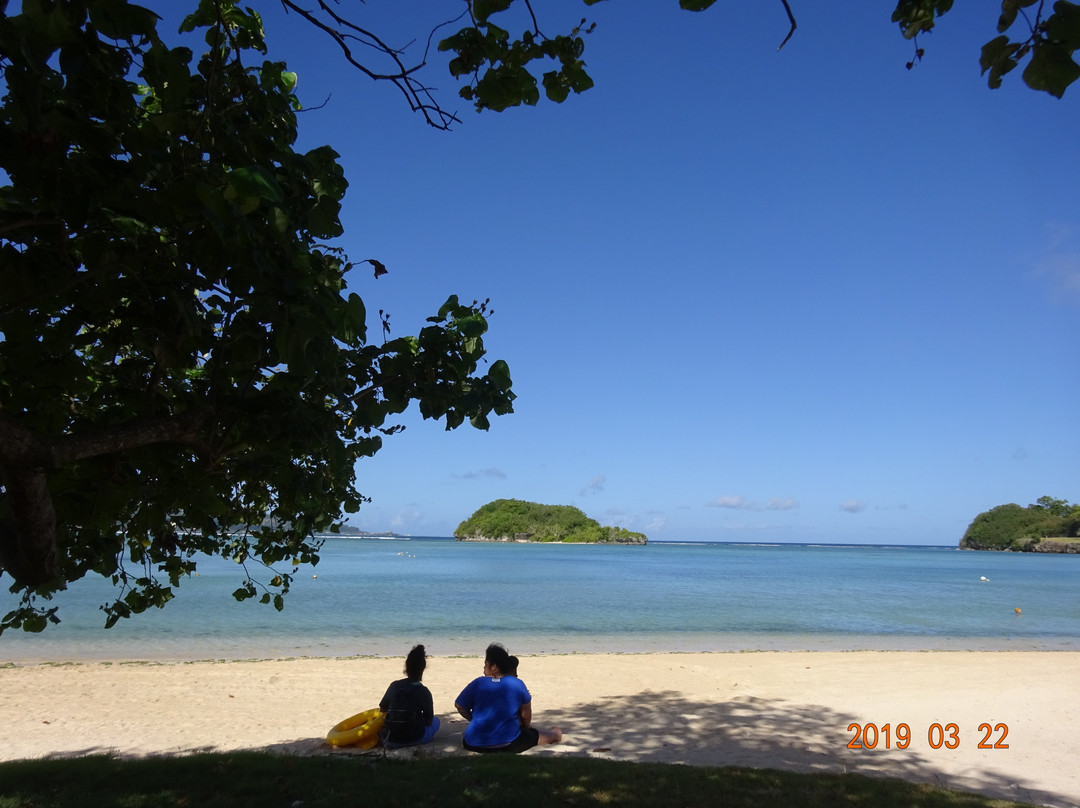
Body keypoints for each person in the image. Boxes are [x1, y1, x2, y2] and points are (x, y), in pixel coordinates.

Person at [454, 643, 562, 753]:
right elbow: (525, 716)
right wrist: (526, 728)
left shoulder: (478, 683)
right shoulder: (517, 684)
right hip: (508, 744)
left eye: (485, 665)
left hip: (472, 744)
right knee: (537, 735)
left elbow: (459, 706)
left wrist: (474, 720)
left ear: (494, 667)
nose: (483, 669)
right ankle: (556, 734)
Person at [378, 644, 440, 748]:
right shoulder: (424, 691)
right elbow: (429, 721)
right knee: (436, 721)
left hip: (390, 740)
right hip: (415, 738)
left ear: (406, 667)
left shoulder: (394, 685)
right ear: (423, 668)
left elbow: (382, 709)